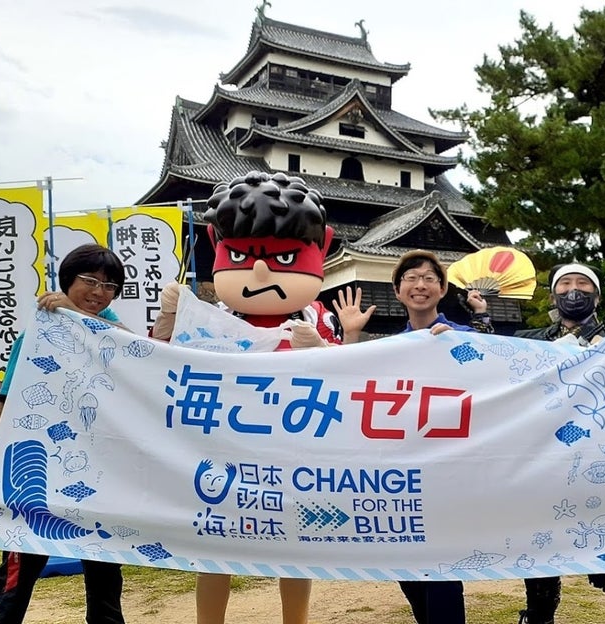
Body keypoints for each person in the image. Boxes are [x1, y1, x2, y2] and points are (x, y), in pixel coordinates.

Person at [148, 172, 355, 624]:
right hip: (221, 457)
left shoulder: (316, 318)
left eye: (284, 256)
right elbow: (153, 364)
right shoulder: (209, 321)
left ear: (322, 246)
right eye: (240, 255)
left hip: (294, 459)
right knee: (214, 547)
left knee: (295, 549)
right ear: (214, 243)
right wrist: (168, 318)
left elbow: (350, 378)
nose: (260, 271)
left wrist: (322, 349)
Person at [0, 244, 129, 624]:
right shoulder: (37, 334)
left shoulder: (115, 333)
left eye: (109, 285)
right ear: (67, 281)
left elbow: (140, 349)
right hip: (36, 479)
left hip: (100, 480)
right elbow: (4, 405)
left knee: (106, 587)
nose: (98, 292)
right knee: (14, 584)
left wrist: (74, 313)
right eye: (89, 281)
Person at [515, 263, 605, 624]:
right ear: (554, 294)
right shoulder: (530, 341)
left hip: (603, 466)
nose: (574, 290)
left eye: (583, 283)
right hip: (544, 466)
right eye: (566, 283)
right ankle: (539, 618)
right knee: (541, 563)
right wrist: (479, 321)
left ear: (597, 295)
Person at [379, 249, 487, 624]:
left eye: (429, 278)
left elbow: (499, 375)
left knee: (441, 571)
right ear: (397, 290)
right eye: (410, 278)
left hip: (449, 472)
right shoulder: (388, 348)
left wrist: (462, 348)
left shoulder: (465, 337)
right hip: (404, 472)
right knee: (407, 571)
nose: (420, 284)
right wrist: (353, 334)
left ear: (442, 290)